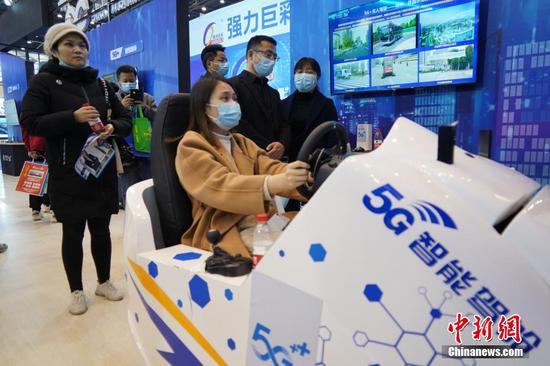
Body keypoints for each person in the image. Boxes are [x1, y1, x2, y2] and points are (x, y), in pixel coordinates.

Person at [20, 23, 132, 315]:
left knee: (102, 230)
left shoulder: (103, 86)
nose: (77, 49)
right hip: (67, 172)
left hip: (101, 169)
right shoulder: (43, 83)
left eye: (81, 44)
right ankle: (76, 290)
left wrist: (112, 127)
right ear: (55, 50)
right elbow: (32, 122)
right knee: (72, 233)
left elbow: (125, 120)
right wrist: (72, 117)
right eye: (69, 44)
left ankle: (103, 281)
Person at [175, 77, 310, 258]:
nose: (233, 104)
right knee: (294, 252)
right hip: (225, 227)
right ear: (204, 107)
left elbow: (271, 168)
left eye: (234, 98)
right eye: (225, 98)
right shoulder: (191, 145)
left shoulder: (241, 142)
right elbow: (221, 186)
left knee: (309, 228)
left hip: (261, 220)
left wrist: (307, 179)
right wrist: (273, 183)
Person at [228, 35, 289, 160]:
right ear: (251, 55)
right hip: (247, 158)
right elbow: (238, 123)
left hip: (275, 160)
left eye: (274, 57)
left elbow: (284, 124)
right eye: (268, 54)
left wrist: (282, 144)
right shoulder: (231, 86)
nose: (272, 60)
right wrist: (267, 147)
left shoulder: (273, 93)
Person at [115, 65, 157, 207]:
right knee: (130, 191)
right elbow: (108, 122)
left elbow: (158, 118)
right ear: (118, 82)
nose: (129, 83)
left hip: (146, 151)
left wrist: (144, 108)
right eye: (125, 81)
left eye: (132, 80)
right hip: (125, 152)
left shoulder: (148, 98)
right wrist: (121, 107)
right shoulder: (114, 101)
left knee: (150, 188)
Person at [282, 57, 338, 162]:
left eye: (309, 72)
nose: (303, 75)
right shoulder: (284, 104)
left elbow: (333, 137)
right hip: (289, 162)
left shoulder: (326, 104)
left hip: (317, 162)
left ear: (317, 76)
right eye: (300, 71)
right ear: (294, 75)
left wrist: (321, 156)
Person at [21, 126, 54, 221]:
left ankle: (36, 210)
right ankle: (53, 210)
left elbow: (25, 131)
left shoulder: (28, 112)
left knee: (35, 179)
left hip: (36, 148)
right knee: (53, 179)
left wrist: (30, 148)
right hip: (52, 147)